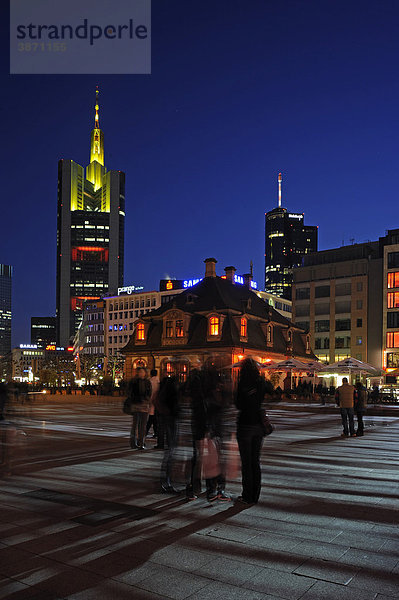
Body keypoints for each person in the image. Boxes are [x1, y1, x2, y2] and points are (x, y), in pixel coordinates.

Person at [235, 358, 267, 505]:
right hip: (258, 425)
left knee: (246, 463)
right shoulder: (260, 382)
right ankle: (256, 495)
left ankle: (247, 495)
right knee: (255, 461)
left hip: (245, 424)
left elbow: (238, 404)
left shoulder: (242, 382)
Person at [157, 376, 180, 493]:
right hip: (172, 421)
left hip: (170, 421)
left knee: (170, 453)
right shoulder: (173, 394)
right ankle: (166, 481)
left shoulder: (165, 392)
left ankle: (166, 480)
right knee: (171, 452)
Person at [127, 368, 151, 449]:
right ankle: (133, 442)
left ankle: (141, 442)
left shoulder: (147, 382)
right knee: (135, 425)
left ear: (145, 373)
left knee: (143, 425)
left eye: (142, 372)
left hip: (144, 404)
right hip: (136, 405)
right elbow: (129, 392)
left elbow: (149, 392)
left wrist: (147, 399)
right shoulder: (134, 381)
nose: (141, 373)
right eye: (139, 372)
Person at [146, 369, 160, 439]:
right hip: (157, 401)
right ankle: (156, 432)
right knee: (154, 418)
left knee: (151, 417)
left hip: (151, 401)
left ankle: (146, 431)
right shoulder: (159, 381)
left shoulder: (149, 381)